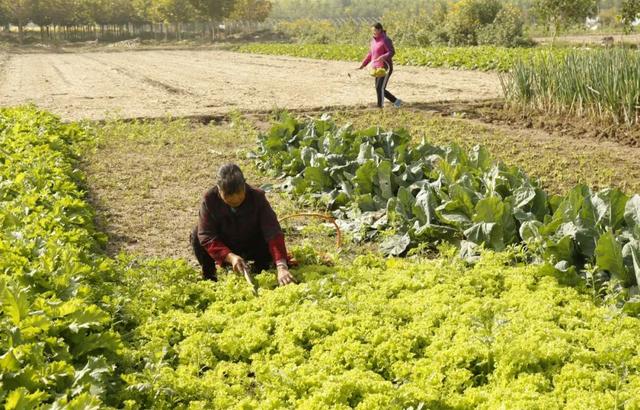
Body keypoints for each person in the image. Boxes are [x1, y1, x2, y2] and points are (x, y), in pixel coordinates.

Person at [190, 163, 297, 286]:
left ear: (245, 185)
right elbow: (207, 235)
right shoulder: (209, 200)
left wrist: (281, 266)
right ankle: (210, 276)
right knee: (197, 234)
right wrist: (230, 257)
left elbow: (273, 231)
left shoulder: (257, 197)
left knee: (268, 243)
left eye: (239, 193)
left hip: (253, 245)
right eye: (228, 195)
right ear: (219, 189)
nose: (235, 199)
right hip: (227, 245)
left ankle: (261, 267)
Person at [358, 22, 402, 109]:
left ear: (380, 30)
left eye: (374, 30)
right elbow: (371, 54)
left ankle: (380, 107)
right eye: (372, 31)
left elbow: (391, 51)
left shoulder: (386, 40)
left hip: (385, 68)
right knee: (379, 88)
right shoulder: (373, 41)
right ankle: (396, 101)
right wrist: (363, 64)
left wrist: (383, 57)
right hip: (376, 68)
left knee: (379, 88)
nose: (373, 32)